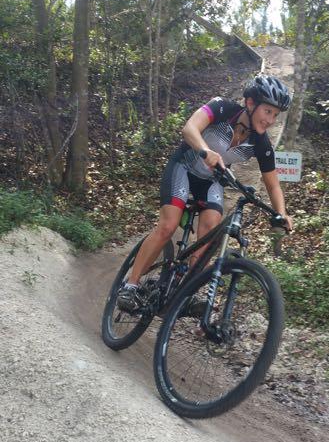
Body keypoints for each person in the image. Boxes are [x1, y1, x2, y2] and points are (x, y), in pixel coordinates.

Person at [117, 74, 293, 313]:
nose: (271, 120)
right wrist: (205, 150)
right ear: (251, 103)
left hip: (212, 180)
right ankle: (130, 285)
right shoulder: (222, 108)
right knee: (168, 226)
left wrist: (281, 214)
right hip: (184, 167)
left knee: (210, 230)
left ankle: (185, 292)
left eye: (275, 115)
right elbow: (189, 128)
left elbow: (273, 185)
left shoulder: (261, 143)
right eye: (268, 111)